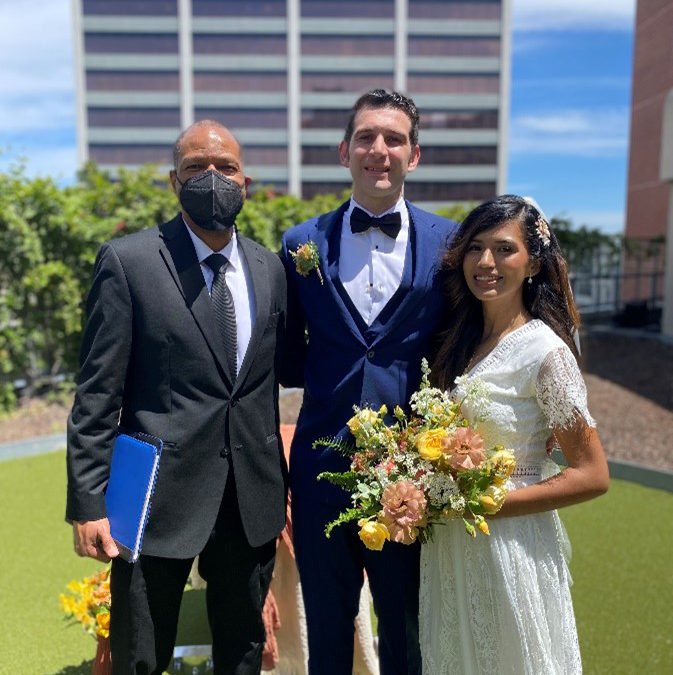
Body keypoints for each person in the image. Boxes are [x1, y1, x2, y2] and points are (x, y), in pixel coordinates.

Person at [66, 120, 288, 674]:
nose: (212, 178)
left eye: (226, 168)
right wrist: (89, 502)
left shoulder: (271, 269)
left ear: (247, 182)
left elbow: (261, 386)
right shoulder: (129, 262)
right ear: (173, 181)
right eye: (196, 168)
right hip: (152, 499)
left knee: (242, 650)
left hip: (249, 496)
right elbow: (97, 389)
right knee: (141, 654)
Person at [279, 89, 457, 674]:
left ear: (415, 154)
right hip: (319, 471)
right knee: (327, 628)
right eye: (366, 137)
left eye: (394, 138)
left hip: (410, 474)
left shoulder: (451, 244)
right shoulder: (298, 244)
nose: (379, 149)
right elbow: (285, 356)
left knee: (407, 627)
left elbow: (461, 348)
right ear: (344, 151)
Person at [420, 194, 610, 673]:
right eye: (476, 247)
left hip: (512, 546)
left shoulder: (546, 353)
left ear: (533, 263)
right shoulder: (458, 342)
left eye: (504, 249)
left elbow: (592, 474)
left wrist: (484, 503)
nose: (486, 262)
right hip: (452, 545)